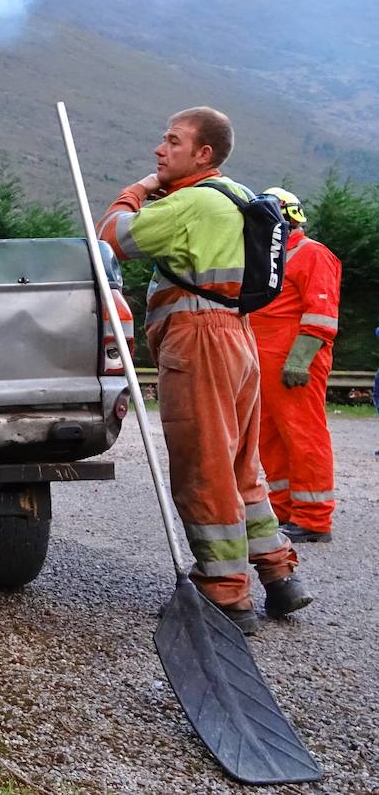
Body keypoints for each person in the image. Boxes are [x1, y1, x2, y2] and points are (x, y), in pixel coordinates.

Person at [96, 106, 311, 634]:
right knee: (239, 466)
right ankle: (279, 576)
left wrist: (141, 188)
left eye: (172, 142)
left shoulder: (192, 202)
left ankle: (223, 592)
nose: (159, 150)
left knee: (203, 467)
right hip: (238, 337)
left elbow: (109, 238)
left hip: (199, 343)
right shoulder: (238, 197)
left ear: (202, 153)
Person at [250, 188, 342, 543]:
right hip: (264, 362)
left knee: (304, 436)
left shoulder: (312, 254)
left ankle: (314, 518)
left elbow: (321, 313)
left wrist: (300, 359)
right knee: (269, 438)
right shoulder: (270, 257)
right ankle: (285, 510)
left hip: (293, 362)